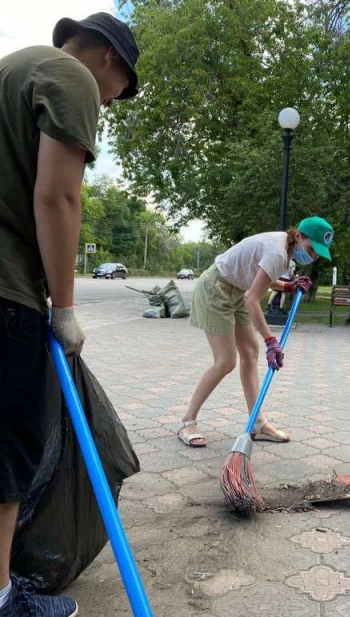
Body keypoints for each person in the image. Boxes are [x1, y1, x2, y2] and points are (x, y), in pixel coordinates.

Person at [0, 12, 139, 616]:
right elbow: (59, 195)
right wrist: (64, 308)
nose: (108, 105)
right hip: (7, 296)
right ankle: (4, 599)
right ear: (111, 60)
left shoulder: (10, 70)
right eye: (118, 95)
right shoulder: (72, 77)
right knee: (8, 453)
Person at [178, 217, 334, 447]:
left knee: (250, 352)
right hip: (216, 289)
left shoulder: (286, 253)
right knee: (225, 361)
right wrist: (271, 340)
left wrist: (288, 286)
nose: (313, 256)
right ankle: (187, 421)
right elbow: (253, 301)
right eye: (312, 249)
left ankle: (257, 423)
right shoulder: (278, 253)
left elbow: (262, 281)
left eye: (318, 253)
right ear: (299, 236)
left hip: (237, 289)